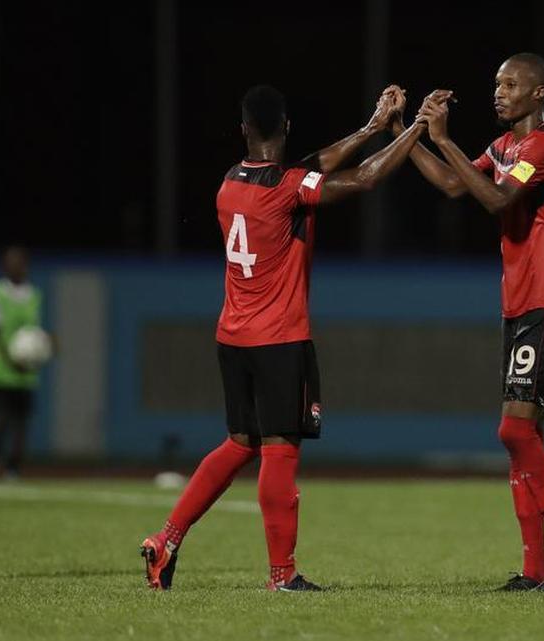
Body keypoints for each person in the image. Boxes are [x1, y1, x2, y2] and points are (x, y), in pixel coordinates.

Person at [140, 84, 429, 591]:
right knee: (279, 451)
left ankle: (165, 539)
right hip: (278, 340)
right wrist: (417, 129)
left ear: (245, 129)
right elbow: (361, 179)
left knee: (239, 443)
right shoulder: (290, 187)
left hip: (233, 337)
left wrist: (372, 126)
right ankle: (282, 576)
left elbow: (312, 166)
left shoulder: (230, 182)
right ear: (287, 125)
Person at [397, 53, 544, 591]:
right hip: (520, 300)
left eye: (511, 84)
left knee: (513, 429)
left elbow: (495, 197)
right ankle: (535, 569)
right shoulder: (506, 146)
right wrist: (408, 133)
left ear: (539, 94)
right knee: (524, 437)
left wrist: (444, 139)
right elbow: (453, 185)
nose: (499, 91)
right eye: (496, 83)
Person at [0, 246, 42, 480]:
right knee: (2, 420)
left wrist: (40, 351)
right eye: (10, 262)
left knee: (22, 424)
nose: (15, 266)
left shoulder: (34, 294)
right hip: (1, 371)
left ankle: (13, 468)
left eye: (19, 262)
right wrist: (10, 360)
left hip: (26, 372)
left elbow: (33, 334)